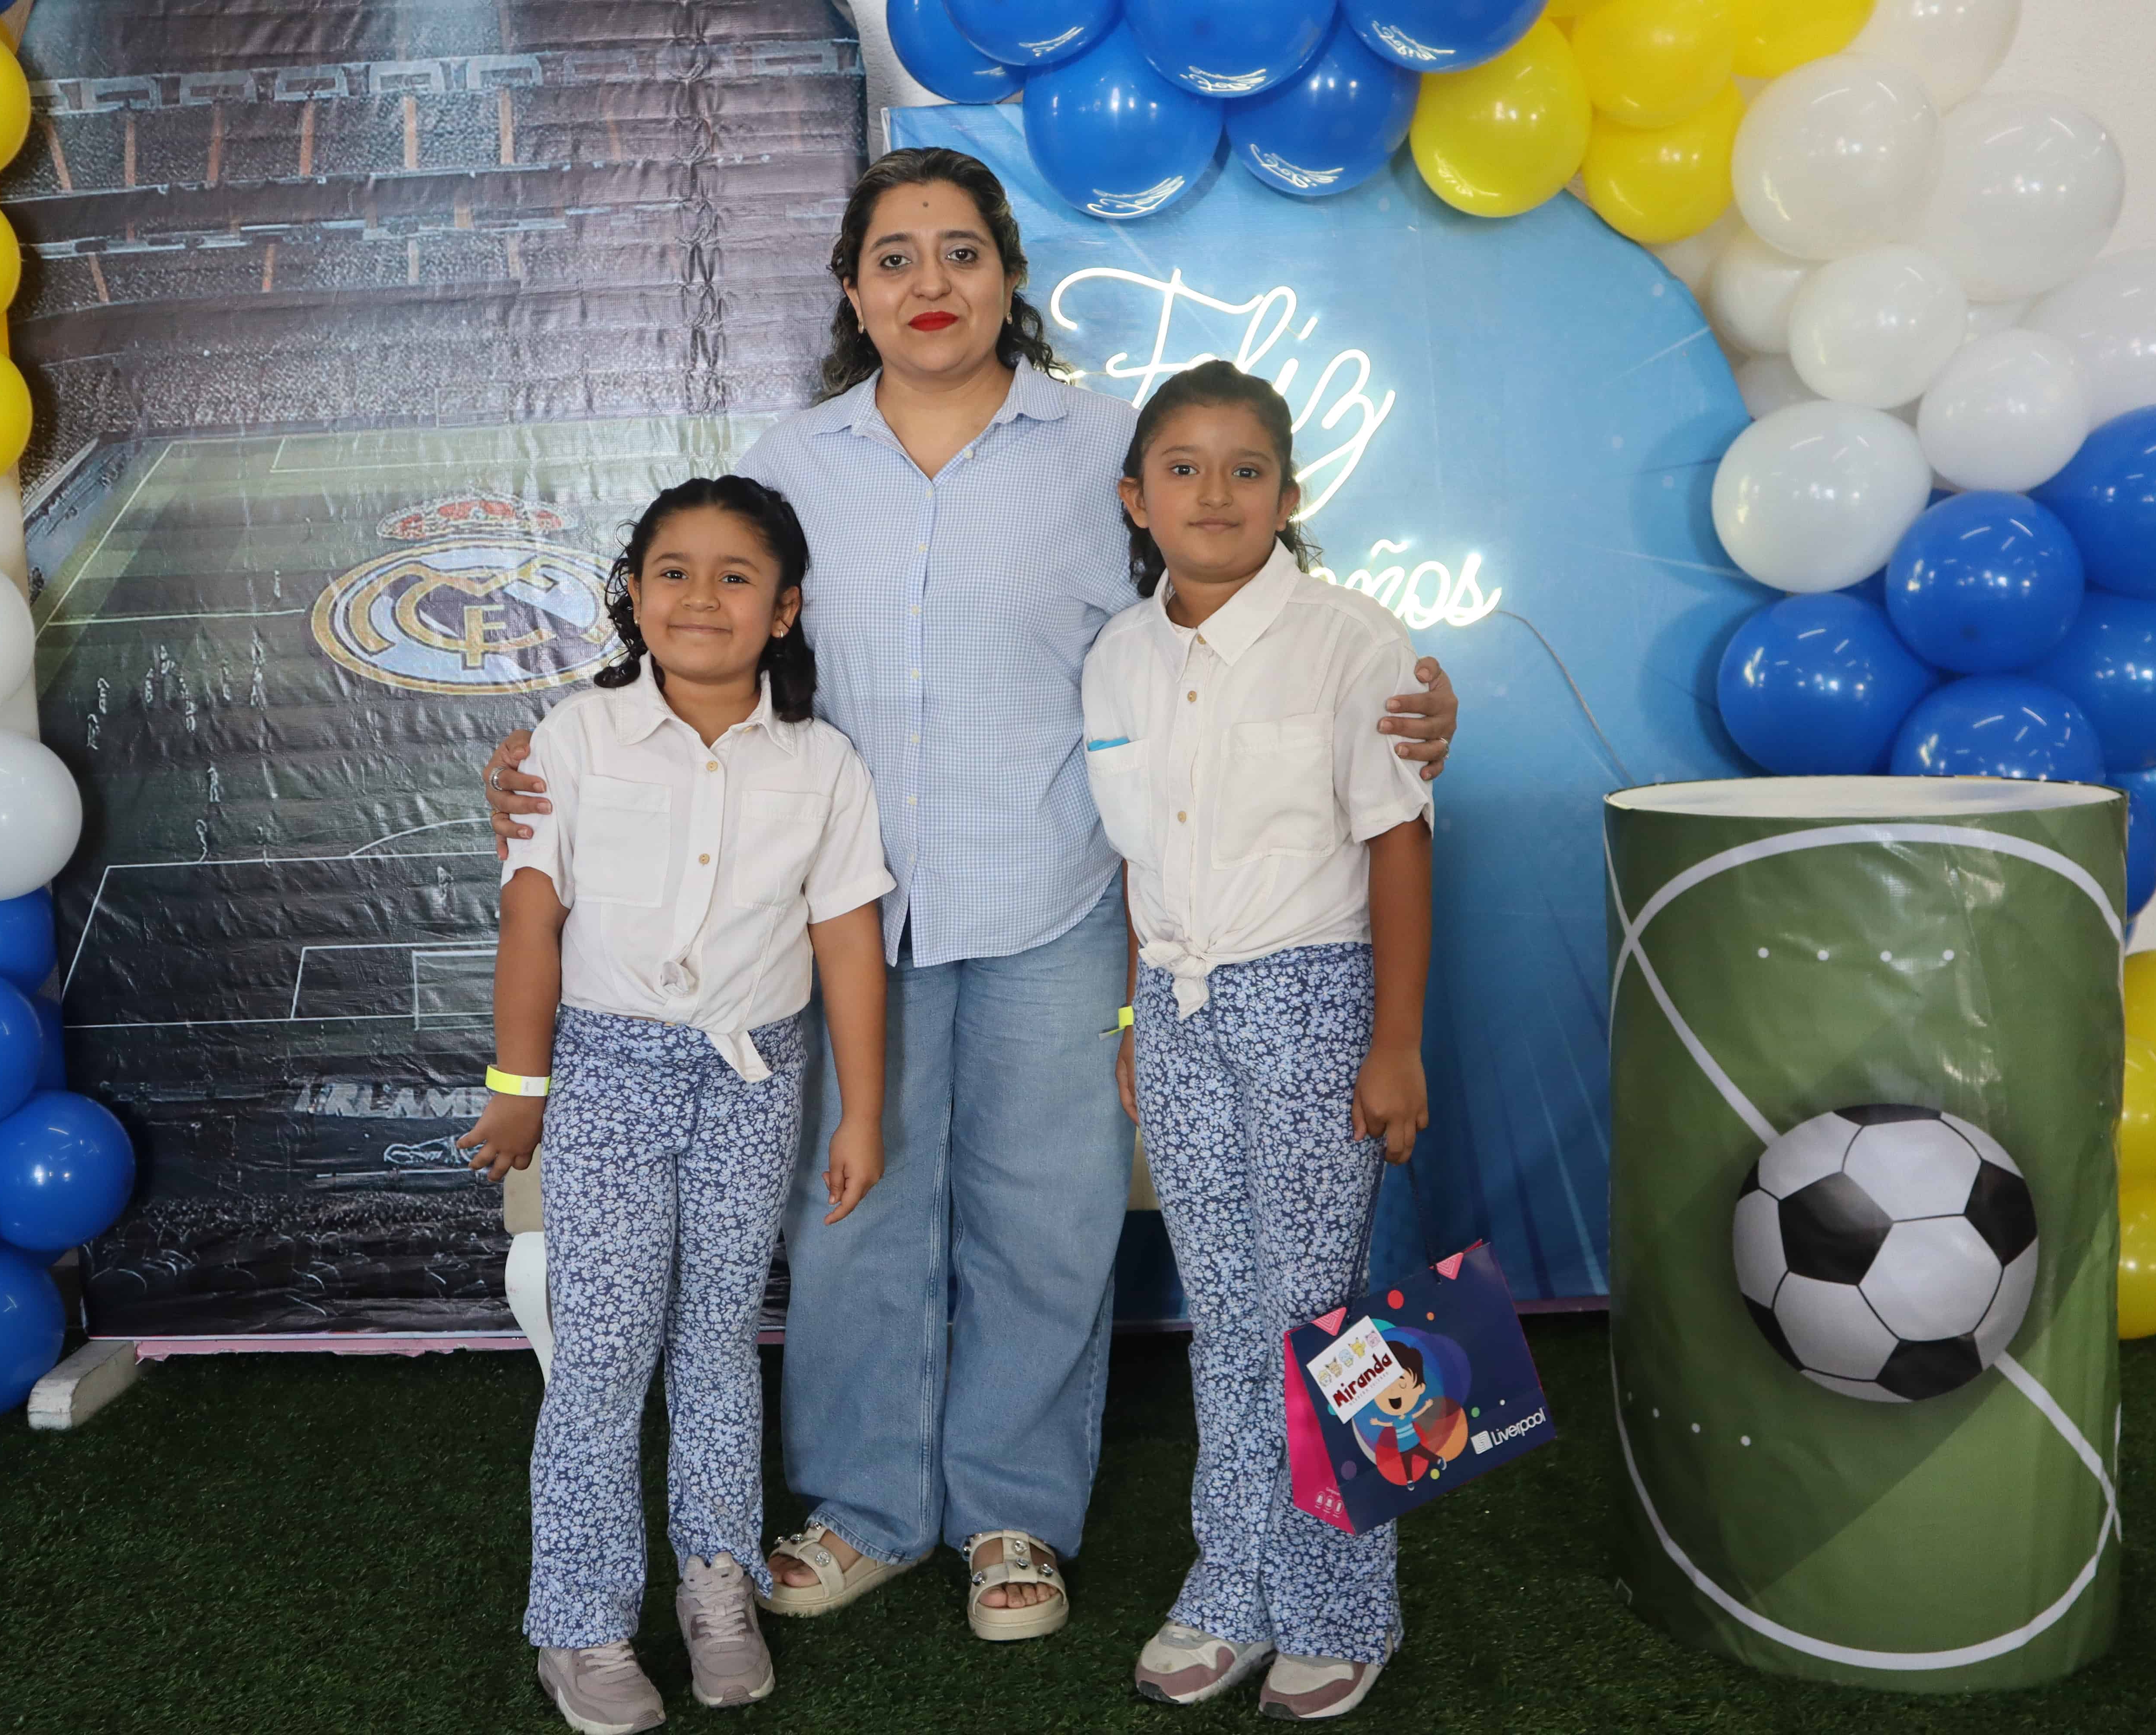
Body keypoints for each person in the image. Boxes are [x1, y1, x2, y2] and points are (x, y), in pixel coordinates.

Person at [483, 147, 1460, 1643]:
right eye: (895, 257)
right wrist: (547, 756)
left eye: (960, 252)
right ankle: (868, 1509)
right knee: (854, 1220)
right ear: (853, 291)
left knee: (1050, 1225)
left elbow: (1227, 628)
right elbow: (705, 646)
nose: (928, 283)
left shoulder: (1106, 447)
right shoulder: (795, 463)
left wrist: (1402, 705)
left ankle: (1016, 1515)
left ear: (1009, 276)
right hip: (835, 922)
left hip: (1057, 901)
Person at [461, 475, 894, 1734]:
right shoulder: (575, 738)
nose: (702, 597)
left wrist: (862, 1114)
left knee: (716, 1343)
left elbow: (848, 942)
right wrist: (519, 1088)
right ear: (634, 596)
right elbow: (532, 918)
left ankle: (718, 1581)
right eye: (673, 572)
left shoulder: (822, 762)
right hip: (605, 1074)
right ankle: (583, 1625)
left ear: (785, 609)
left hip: (754, 1081)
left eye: (735, 576)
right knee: (602, 1355)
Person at [1084, 360, 1433, 1720]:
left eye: (1247, 470)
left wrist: (1394, 1042)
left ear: (1290, 496)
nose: (1215, 494)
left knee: (1318, 1313)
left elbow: (1397, 843)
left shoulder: (1354, 641)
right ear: (1138, 498)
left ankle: (1343, 1607)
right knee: (1223, 1315)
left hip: (1313, 1003)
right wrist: (1135, 1015)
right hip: (1179, 1013)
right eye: (1183, 468)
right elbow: (1140, 859)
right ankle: (1231, 1585)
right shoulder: (1120, 656)